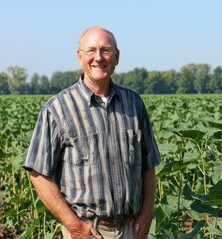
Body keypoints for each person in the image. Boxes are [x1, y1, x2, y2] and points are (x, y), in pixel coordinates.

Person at [24, 26, 161, 239]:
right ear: (80, 57)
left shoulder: (134, 104)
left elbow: (148, 165)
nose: (98, 57)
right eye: (91, 51)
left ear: (117, 57)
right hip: (88, 232)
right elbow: (39, 174)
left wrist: (146, 214)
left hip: (131, 229)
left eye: (106, 50)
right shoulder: (58, 108)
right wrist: (74, 225)